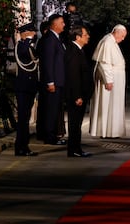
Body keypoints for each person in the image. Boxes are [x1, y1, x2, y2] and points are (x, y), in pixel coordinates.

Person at [89, 24, 127, 139]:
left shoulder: (112, 41)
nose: (123, 39)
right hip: (110, 80)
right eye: (123, 36)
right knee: (108, 105)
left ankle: (113, 131)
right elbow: (104, 63)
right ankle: (106, 131)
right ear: (117, 32)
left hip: (116, 79)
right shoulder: (107, 42)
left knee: (114, 106)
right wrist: (108, 81)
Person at [64, 25, 93, 157]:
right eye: (85, 35)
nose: (88, 37)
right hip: (76, 95)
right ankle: (74, 149)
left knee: (77, 123)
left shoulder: (78, 50)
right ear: (78, 37)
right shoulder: (73, 52)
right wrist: (77, 96)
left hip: (80, 94)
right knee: (74, 123)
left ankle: (76, 148)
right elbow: (73, 76)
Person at [39, 14, 67, 146]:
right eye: (62, 22)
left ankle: (53, 134)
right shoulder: (50, 39)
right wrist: (50, 81)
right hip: (53, 82)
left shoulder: (57, 38)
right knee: (50, 110)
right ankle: (49, 136)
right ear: (54, 24)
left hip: (59, 81)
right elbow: (48, 62)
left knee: (55, 110)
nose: (64, 25)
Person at [14, 22, 39, 156]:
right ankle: (20, 147)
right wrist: (28, 40)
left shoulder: (30, 46)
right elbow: (24, 54)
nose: (35, 34)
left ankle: (24, 146)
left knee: (26, 118)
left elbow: (35, 57)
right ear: (26, 33)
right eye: (32, 32)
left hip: (30, 87)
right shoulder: (21, 46)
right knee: (23, 119)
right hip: (23, 87)